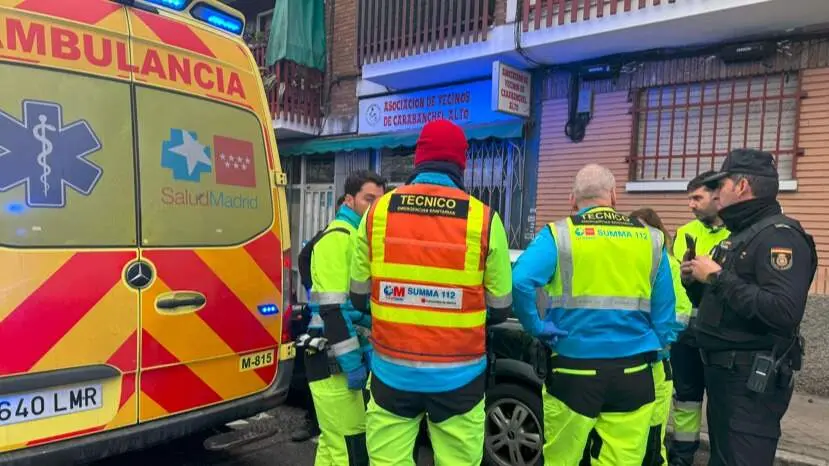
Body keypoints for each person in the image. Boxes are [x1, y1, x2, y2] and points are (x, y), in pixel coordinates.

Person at [349, 119, 513, 466]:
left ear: (418, 159)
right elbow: (500, 308)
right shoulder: (484, 220)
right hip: (460, 378)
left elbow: (358, 297)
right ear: (461, 164)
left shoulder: (377, 213)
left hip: (392, 374)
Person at [512, 163, 678, 466]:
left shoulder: (559, 234)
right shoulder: (652, 239)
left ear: (572, 199)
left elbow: (521, 280)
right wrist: (656, 345)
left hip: (574, 369)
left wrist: (536, 327)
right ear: (614, 195)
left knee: (563, 459)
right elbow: (665, 309)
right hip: (634, 371)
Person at [682, 149, 816, 466]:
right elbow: (722, 305)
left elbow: (783, 310)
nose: (716, 194)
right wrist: (696, 283)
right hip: (726, 378)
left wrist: (716, 277)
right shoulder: (742, 235)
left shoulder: (779, 237)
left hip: (749, 382)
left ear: (742, 186)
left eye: (720, 185)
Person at [305, 171, 386, 466]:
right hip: (333, 362)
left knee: (333, 445)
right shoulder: (339, 238)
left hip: (333, 357)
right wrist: (353, 364)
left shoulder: (356, 237)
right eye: (368, 199)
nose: (374, 207)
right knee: (350, 450)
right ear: (349, 200)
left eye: (379, 202)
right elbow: (333, 309)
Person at [667, 172, 731, 466]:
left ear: (717, 196)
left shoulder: (737, 234)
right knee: (686, 400)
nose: (690, 204)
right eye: (689, 198)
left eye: (697, 198)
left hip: (720, 336)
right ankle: (682, 456)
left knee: (722, 404)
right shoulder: (684, 232)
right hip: (686, 334)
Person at [630, 208, 693, 466]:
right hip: (631, 363)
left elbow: (681, 313)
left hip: (655, 361)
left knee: (652, 442)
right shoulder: (630, 263)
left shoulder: (669, 265)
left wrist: (656, 340)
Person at [292, 195, 347, 444]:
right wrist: (311, 287)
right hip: (322, 323)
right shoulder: (328, 234)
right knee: (321, 378)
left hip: (343, 319)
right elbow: (303, 257)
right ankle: (313, 422)